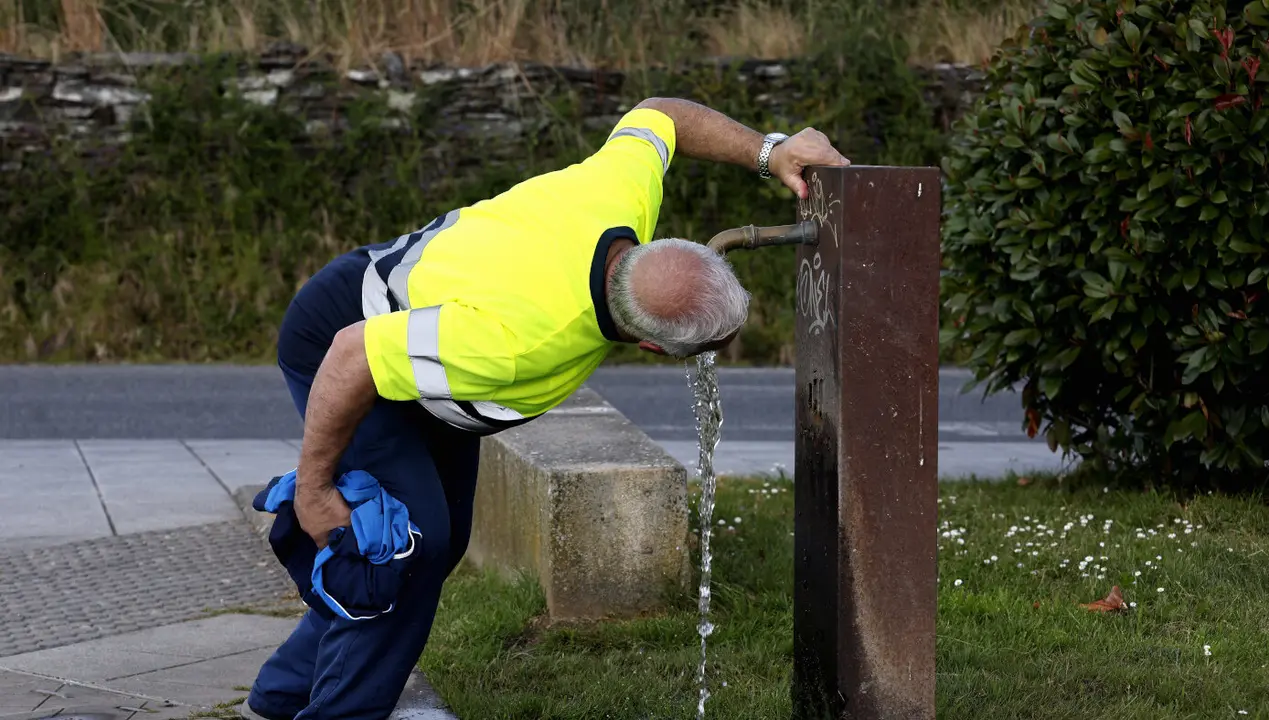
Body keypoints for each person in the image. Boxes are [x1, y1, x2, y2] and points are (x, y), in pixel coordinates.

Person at [241, 96, 850, 720]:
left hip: (429, 355)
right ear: (647, 344)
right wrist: (315, 488)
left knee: (442, 542)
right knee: (403, 544)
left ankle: (280, 694)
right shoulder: (518, 343)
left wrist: (772, 151)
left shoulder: (621, 195)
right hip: (350, 338)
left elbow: (660, 112)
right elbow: (352, 356)